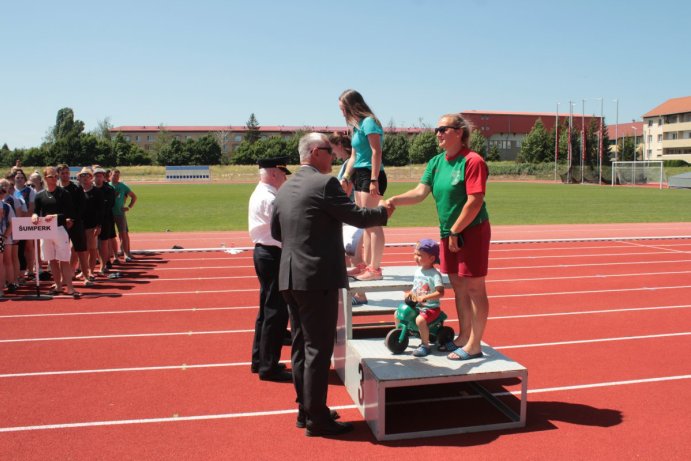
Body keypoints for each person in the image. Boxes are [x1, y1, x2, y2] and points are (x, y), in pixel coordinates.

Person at [271, 132, 393, 437]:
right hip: (316, 278)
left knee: (301, 347)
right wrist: (384, 211)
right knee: (317, 349)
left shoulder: (285, 189)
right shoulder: (324, 183)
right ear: (315, 152)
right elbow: (355, 215)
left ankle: (306, 410)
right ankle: (317, 419)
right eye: (329, 151)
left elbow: (277, 231)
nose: (335, 157)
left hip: (289, 276)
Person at [386, 113, 491, 361]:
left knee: (475, 287)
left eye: (443, 129)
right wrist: (394, 200)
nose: (438, 133)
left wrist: (456, 230)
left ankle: (475, 345)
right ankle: (464, 336)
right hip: (449, 233)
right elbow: (420, 192)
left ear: (459, 132)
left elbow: (475, 202)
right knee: (459, 287)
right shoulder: (436, 162)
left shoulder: (473, 161)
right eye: (437, 129)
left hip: (471, 231)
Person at [248, 157, 292, 382]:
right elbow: (285, 229)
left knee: (266, 311)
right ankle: (268, 366)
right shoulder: (270, 198)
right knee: (275, 312)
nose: (285, 178)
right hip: (273, 255)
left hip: (265, 254)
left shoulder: (262, 193)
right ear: (275, 173)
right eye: (283, 174)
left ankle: (260, 361)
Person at [338, 89, 387, 281]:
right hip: (359, 173)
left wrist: (374, 179)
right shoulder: (356, 126)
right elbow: (354, 156)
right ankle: (367, 266)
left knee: (373, 222)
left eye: (343, 108)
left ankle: (375, 269)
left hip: (371, 174)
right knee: (365, 223)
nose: (342, 112)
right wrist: (346, 176)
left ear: (351, 106)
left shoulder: (369, 122)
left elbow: (376, 152)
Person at [328, 132, 367, 305]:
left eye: (332, 147)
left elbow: (347, 191)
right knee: (348, 255)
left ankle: (359, 294)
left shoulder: (349, 166)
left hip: (350, 215)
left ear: (339, 145)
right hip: (350, 215)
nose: (331, 152)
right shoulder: (347, 164)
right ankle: (353, 293)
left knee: (353, 256)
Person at [32, 166, 80, 298]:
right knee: (51, 260)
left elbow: (70, 213)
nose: (54, 178)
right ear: (45, 178)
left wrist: (55, 216)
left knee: (64, 260)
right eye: (51, 176)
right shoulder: (39, 195)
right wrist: (34, 215)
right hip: (45, 231)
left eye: (55, 176)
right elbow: (36, 210)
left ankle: (70, 288)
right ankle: (58, 286)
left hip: (60, 229)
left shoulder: (64, 193)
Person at [405, 239, 445, 358]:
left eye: (420, 255)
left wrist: (425, 297)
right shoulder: (418, 271)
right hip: (418, 305)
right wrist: (410, 293)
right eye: (415, 254)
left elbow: (440, 292)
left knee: (420, 321)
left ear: (432, 259)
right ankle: (401, 334)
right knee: (399, 312)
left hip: (431, 308)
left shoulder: (434, 274)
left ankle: (425, 345)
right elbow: (416, 288)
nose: (416, 257)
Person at [57, 164, 93, 287]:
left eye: (67, 173)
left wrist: (72, 219)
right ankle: (63, 279)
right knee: (62, 254)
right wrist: (63, 220)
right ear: (58, 175)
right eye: (63, 173)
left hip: (76, 224)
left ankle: (86, 277)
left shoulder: (76, 189)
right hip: (60, 226)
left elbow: (82, 207)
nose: (65, 175)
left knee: (81, 251)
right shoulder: (56, 190)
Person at [79, 167, 104, 280]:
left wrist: (99, 225)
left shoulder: (97, 192)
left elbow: (100, 210)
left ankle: (91, 271)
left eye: (87, 175)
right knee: (81, 249)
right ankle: (83, 270)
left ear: (91, 177)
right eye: (82, 176)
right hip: (80, 225)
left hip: (92, 225)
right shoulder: (78, 191)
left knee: (92, 249)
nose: (84, 178)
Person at [110, 169, 137, 262]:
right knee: (110, 236)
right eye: (114, 175)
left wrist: (129, 207)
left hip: (120, 213)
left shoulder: (123, 186)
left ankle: (126, 254)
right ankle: (114, 255)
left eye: (117, 176)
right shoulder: (107, 186)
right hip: (109, 214)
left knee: (123, 234)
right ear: (110, 175)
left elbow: (134, 197)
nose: (116, 177)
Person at [93, 166, 116, 275]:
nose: (98, 178)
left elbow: (110, 204)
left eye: (100, 176)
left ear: (103, 177)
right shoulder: (90, 188)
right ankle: (91, 267)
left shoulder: (109, 189)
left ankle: (103, 265)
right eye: (96, 176)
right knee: (93, 245)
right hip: (91, 220)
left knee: (103, 243)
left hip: (105, 219)